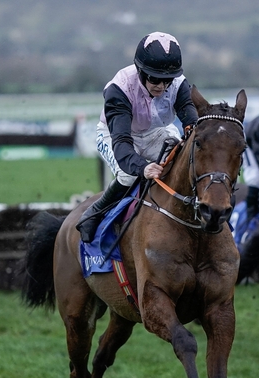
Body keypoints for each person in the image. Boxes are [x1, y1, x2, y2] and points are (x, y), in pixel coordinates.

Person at [76, 31, 199, 243]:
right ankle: (95, 212)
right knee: (129, 175)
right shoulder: (119, 89)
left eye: (167, 80)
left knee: (181, 159)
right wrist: (142, 167)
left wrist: (194, 130)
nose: (162, 87)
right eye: (155, 79)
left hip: (153, 132)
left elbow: (190, 117)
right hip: (115, 135)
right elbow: (122, 143)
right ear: (140, 71)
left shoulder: (179, 84)